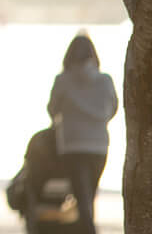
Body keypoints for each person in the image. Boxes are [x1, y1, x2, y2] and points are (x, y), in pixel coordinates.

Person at [46, 33, 117, 234]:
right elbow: (113, 109)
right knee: (89, 195)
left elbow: (52, 110)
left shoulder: (62, 80)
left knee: (81, 196)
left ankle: (88, 229)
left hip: (72, 145)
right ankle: (87, 227)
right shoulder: (105, 80)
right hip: (99, 146)